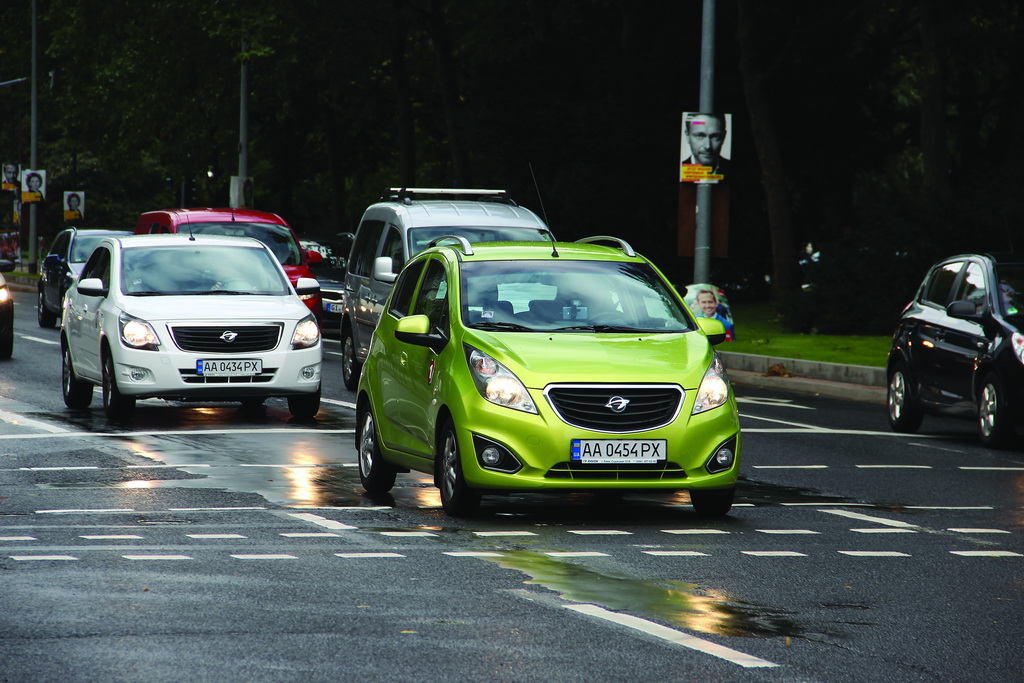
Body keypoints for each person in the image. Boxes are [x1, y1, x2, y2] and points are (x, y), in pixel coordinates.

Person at [681, 113, 730, 179]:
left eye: (715, 136)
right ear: (687, 136)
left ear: (724, 137)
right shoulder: (680, 170)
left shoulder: (734, 170)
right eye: (700, 136)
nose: (708, 146)